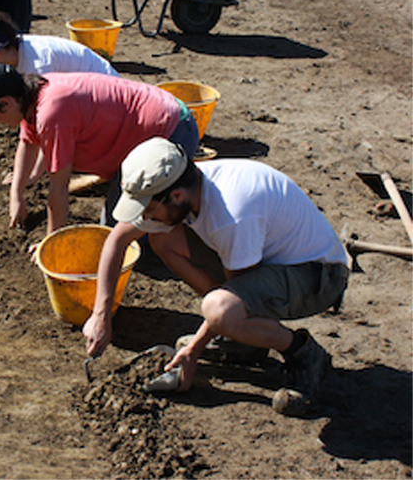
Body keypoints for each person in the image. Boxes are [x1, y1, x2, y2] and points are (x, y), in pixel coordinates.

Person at [82, 137, 349, 416]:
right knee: (163, 240)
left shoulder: (231, 214)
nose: (145, 216)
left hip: (317, 276)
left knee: (221, 310)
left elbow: (236, 292)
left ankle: (303, 353)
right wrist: (101, 316)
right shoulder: (190, 187)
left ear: (176, 196)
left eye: (148, 208)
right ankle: (244, 338)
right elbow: (116, 240)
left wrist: (193, 351)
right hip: (269, 262)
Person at [0, 64, 199, 234]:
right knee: (114, 228)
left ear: (6, 103)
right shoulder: (32, 93)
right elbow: (27, 142)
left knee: (124, 233)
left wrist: (52, 242)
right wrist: (16, 196)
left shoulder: (52, 113)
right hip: (140, 136)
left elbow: (59, 189)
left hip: (171, 131)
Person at [0, 11, 119, 141]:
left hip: (106, 100)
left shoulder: (39, 65)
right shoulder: (12, 51)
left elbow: (49, 114)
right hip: (80, 94)